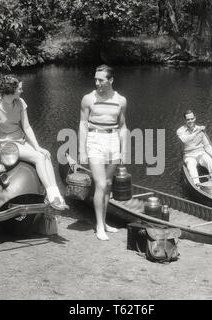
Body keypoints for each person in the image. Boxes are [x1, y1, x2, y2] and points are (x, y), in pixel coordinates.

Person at [0, 74, 68, 210]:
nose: (22, 91)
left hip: (20, 142)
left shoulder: (20, 103)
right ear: (12, 90)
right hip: (6, 146)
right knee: (38, 157)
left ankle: (56, 193)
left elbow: (27, 127)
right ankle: (52, 196)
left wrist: (37, 146)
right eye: (20, 88)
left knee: (45, 155)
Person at [78, 64, 128, 241]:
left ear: (111, 80)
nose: (97, 83)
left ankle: (104, 222)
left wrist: (124, 150)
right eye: (96, 80)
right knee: (100, 184)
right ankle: (99, 225)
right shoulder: (88, 99)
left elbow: (122, 127)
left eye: (101, 80)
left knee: (107, 184)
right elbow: (83, 124)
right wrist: (82, 149)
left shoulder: (121, 100)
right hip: (95, 140)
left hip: (113, 140)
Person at [176, 110, 212, 185]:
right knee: (191, 166)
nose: (190, 121)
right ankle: (197, 185)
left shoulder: (200, 129)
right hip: (189, 155)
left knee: (210, 161)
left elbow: (207, 145)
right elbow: (185, 140)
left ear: (195, 118)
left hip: (201, 153)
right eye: (188, 119)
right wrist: (197, 132)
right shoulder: (180, 131)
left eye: (192, 118)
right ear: (185, 120)